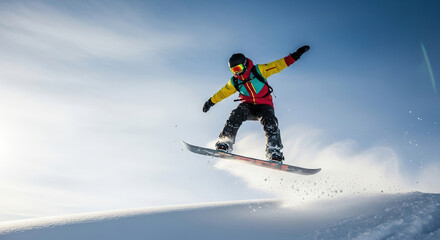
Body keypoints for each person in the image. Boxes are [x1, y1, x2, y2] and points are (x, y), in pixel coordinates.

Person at [202, 45, 310, 162]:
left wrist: (295, 55)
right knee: (236, 114)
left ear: (244, 64)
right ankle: (225, 142)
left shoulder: (259, 71)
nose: (237, 72)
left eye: (238, 68)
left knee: (270, 122)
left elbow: (278, 65)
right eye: (233, 70)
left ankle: (273, 151)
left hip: (264, 105)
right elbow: (223, 93)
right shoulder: (235, 81)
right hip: (248, 106)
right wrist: (210, 102)